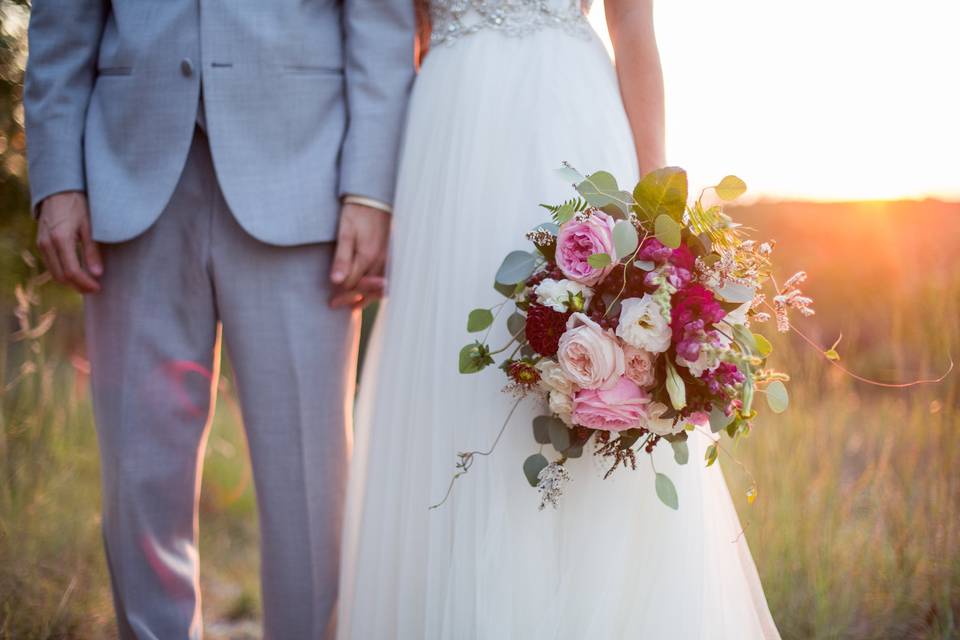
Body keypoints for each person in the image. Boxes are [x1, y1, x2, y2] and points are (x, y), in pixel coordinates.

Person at [338, 1, 781, 637]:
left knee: (590, 366)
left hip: (569, 114)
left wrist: (658, 210)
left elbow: (632, 24)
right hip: (447, 133)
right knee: (459, 375)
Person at [23, 0, 414, 637]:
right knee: (138, 475)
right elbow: (60, 19)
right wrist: (57, 174)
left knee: (308, 479)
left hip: (303, 175)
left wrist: (371, 190)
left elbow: (381, 23)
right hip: (128, 173)